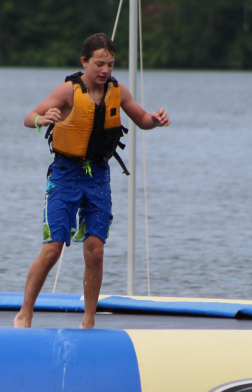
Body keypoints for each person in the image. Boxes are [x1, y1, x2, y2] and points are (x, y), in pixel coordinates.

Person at [14, 34, 170, 329]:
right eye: (99, 64)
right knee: (53, 247)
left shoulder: (118, 92)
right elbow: (29, 116)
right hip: (65, 175)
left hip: (98, 177)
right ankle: (25, 312)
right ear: (84, 62)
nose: (105, 70)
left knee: (96, 249)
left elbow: (142, 119)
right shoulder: (68, 91)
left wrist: (156, 119)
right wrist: (41, 119)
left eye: (110, 65)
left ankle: (88, 321)